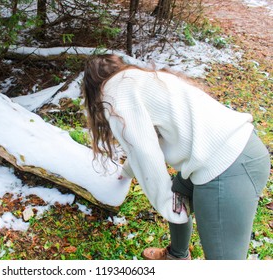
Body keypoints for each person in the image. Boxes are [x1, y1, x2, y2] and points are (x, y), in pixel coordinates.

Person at [82, 54, 270, 260]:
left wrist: (165, 204)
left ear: (92, 89)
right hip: (243, 149)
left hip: (227, 167)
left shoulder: (114, 96)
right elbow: (150, 138)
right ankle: (177, 256)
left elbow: (145, 153)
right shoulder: (137, 79)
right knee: (177, 192)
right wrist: (127, 172)